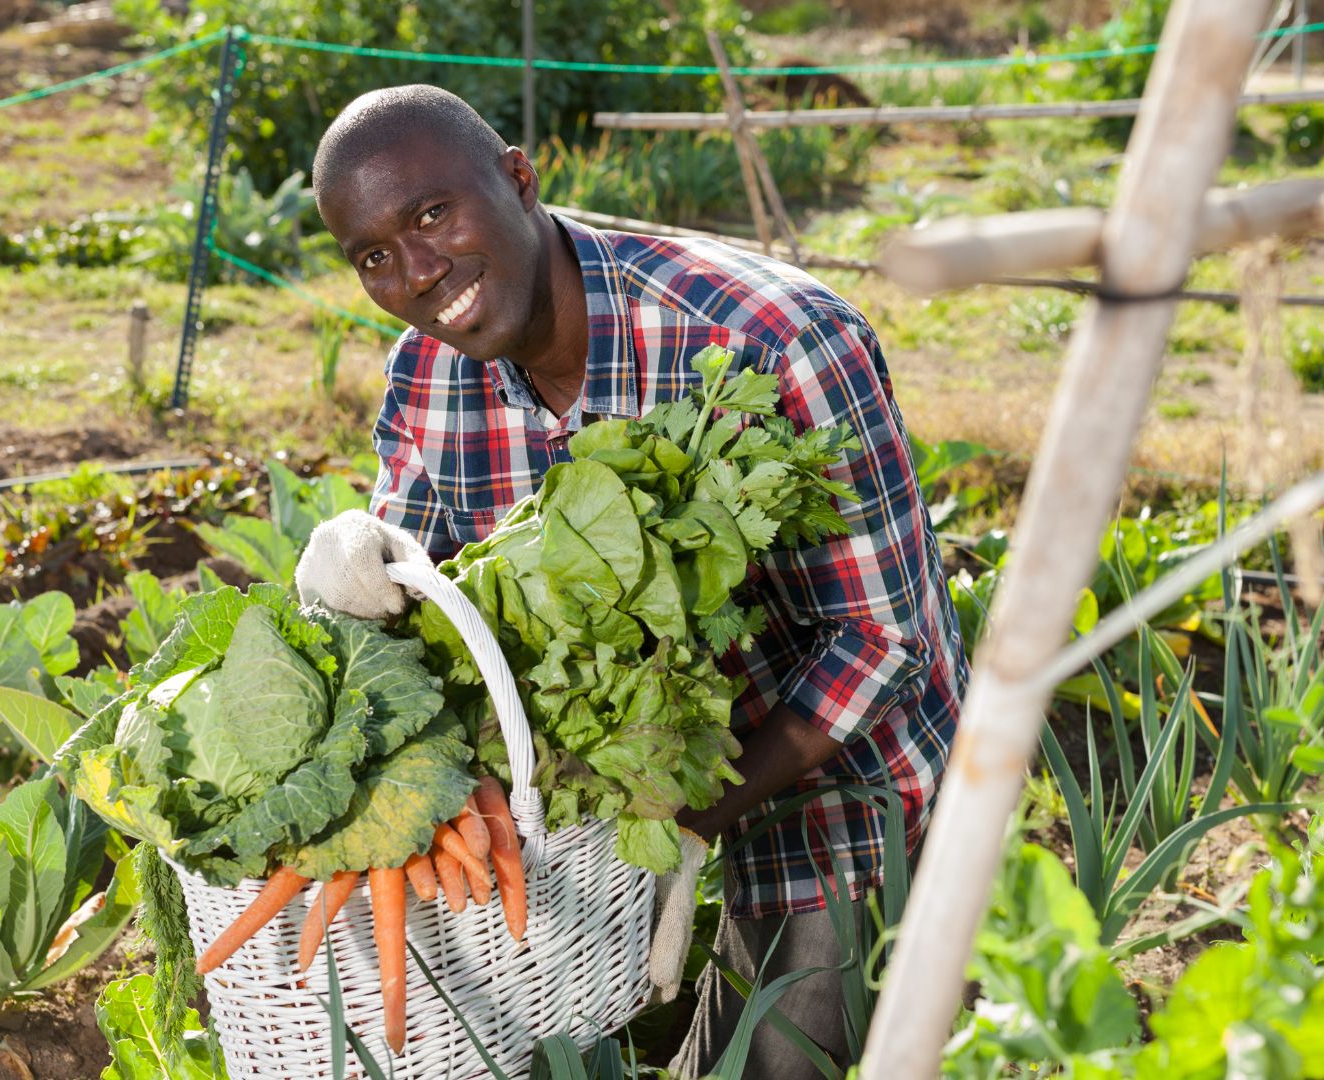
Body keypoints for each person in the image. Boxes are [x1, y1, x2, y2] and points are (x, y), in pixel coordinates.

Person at [293, 84, 965, 1078]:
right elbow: (427, 620)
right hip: (620, 790)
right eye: (375, 257)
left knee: (785, 1057)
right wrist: (362, 579)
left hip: (839, 772)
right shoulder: (425, 377)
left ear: (520, 179)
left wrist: (683, 826)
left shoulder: (773, 339)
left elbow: (879, 643)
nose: (421, 270)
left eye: (434, 214)